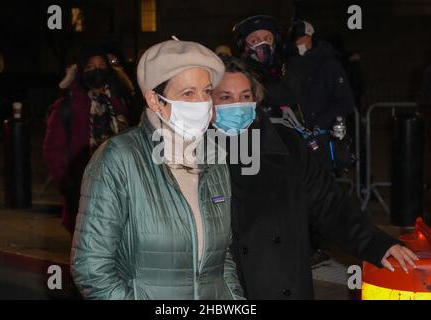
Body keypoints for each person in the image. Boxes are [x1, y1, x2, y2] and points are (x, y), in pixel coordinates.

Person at [210, 57, 418, 300]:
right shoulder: (191, 152)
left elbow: (328, 204)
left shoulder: (287, 145)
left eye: (245, 96)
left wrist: (375, 244)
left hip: (280, 285)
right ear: (208, 101)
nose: (237, 105)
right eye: (225, 97)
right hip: (222, 291)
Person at [70, 39, 244, 300]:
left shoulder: (214, 157)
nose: (201, 103)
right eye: (188, 93)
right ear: (154, 100)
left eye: (206, 92)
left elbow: (222, 259)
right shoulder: (119, 157)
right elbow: (91, 269)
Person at [43, 45, 130, 235]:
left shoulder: (119, 101)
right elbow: (53, 149)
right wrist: (67, 186)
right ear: (81, 72)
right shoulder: (68, 105)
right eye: (90, 67)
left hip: (121, 188)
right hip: (84, 190)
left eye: (101, 66)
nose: (96, 71)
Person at [232, 15, 298, 117]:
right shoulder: (240, 72)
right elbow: (282, 96)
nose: (263, 44)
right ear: (243, 45)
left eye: (268, 39)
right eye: (254, 41)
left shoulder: (282, 66)